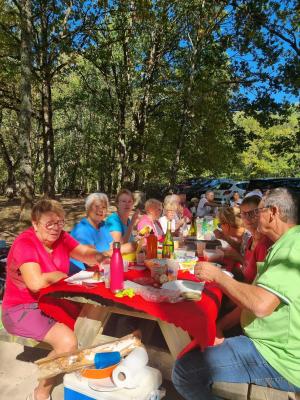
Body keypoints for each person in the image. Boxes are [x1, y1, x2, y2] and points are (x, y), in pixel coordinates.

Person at [172, 188, 300, 399]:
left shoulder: (292, 247)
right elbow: (255, 299)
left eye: (259, 211)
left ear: (274, 212)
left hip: (279, 358)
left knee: (184, 372)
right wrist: (220, 327)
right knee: (204, 335)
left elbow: (260, 305)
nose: (254, 217)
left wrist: (218, 277)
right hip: (268, 343)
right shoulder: (285, 243)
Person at [1, 199, 108, 400]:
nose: (55, 228)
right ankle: (40, 393)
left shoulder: (62, 237)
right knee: (68, 342)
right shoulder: (26, 243)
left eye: (59, 222)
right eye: (49, 223)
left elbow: (84, 253)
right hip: (21, 308)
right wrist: (55, 275)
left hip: (53, 300)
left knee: (94, 313)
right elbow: (35, 283)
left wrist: (102, 257)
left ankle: (78, 365)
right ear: (35, 224)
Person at [239, 195, 273, 283]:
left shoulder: (265, 244)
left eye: (252, 213)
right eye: (243, 214)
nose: (247, 218)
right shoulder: (250, 239)